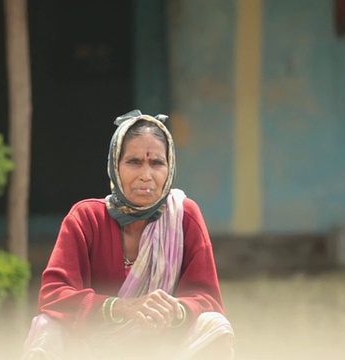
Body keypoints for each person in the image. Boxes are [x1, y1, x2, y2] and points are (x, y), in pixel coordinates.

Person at [22, 110, 234, 360]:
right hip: (92, 348)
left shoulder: (183, 215)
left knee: (214, 324)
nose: (146, 175)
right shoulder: (86, 218)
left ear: (170, 168)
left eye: (156, 163)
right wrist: (119, 307)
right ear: (115, 165)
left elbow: (208, 298)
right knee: (48, 325)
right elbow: (53, 295)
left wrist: (174, 310)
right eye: (134, 162)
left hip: (162, 346)